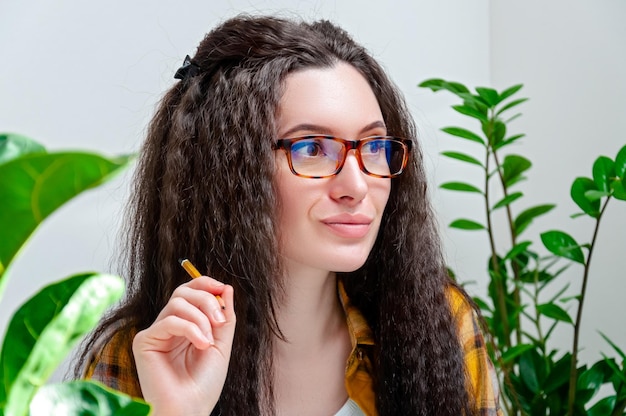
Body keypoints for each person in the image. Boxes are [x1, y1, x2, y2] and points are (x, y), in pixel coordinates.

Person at [76, 14, 502, 416]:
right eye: (313, 149)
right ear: (230, 172)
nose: (356, 187)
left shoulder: (442, 326)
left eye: (373, 147)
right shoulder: (142, 357)